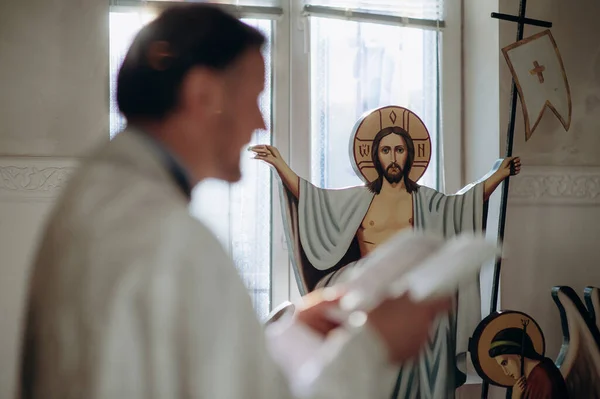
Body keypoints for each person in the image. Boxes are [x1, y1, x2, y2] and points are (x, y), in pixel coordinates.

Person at [17, 4, 453, 399]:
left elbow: (181, 368)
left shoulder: (97, 196)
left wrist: (293, 334)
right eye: (254, 97)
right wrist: (374, 346)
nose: (261, 121)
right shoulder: (172, 239)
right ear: (204, 95)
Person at [251, 109, 521, 398]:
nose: (393, 157)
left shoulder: (426, 200)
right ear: (374, 156)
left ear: (410, 154)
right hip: (372, 294)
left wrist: (498, 175)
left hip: (412, 293)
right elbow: (312, 200)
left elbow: (464, 205)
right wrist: (281, 166)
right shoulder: (358, 199)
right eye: (386, 150)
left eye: (399, 149)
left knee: (438, 328)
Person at [490, 328, 569, 399]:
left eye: (505, 363)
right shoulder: (528, 378)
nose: (506, 372)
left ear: (518, 354)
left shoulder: (542, 378)